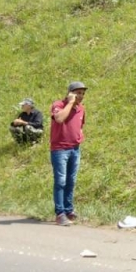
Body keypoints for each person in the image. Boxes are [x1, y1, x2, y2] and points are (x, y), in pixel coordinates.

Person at [50, 82, 87, 226]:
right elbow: (59, 119)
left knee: (71, 181)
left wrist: (79, 137)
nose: (81, 96)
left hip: (75, 149)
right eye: (78, 93)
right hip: (60, 149)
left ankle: (68, 209)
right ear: (70, 93)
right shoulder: (58, 105)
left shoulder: (81, 109)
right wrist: (70, 103)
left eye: (83, 93)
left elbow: (80, 126)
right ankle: (60, 213)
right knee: (61, 181)